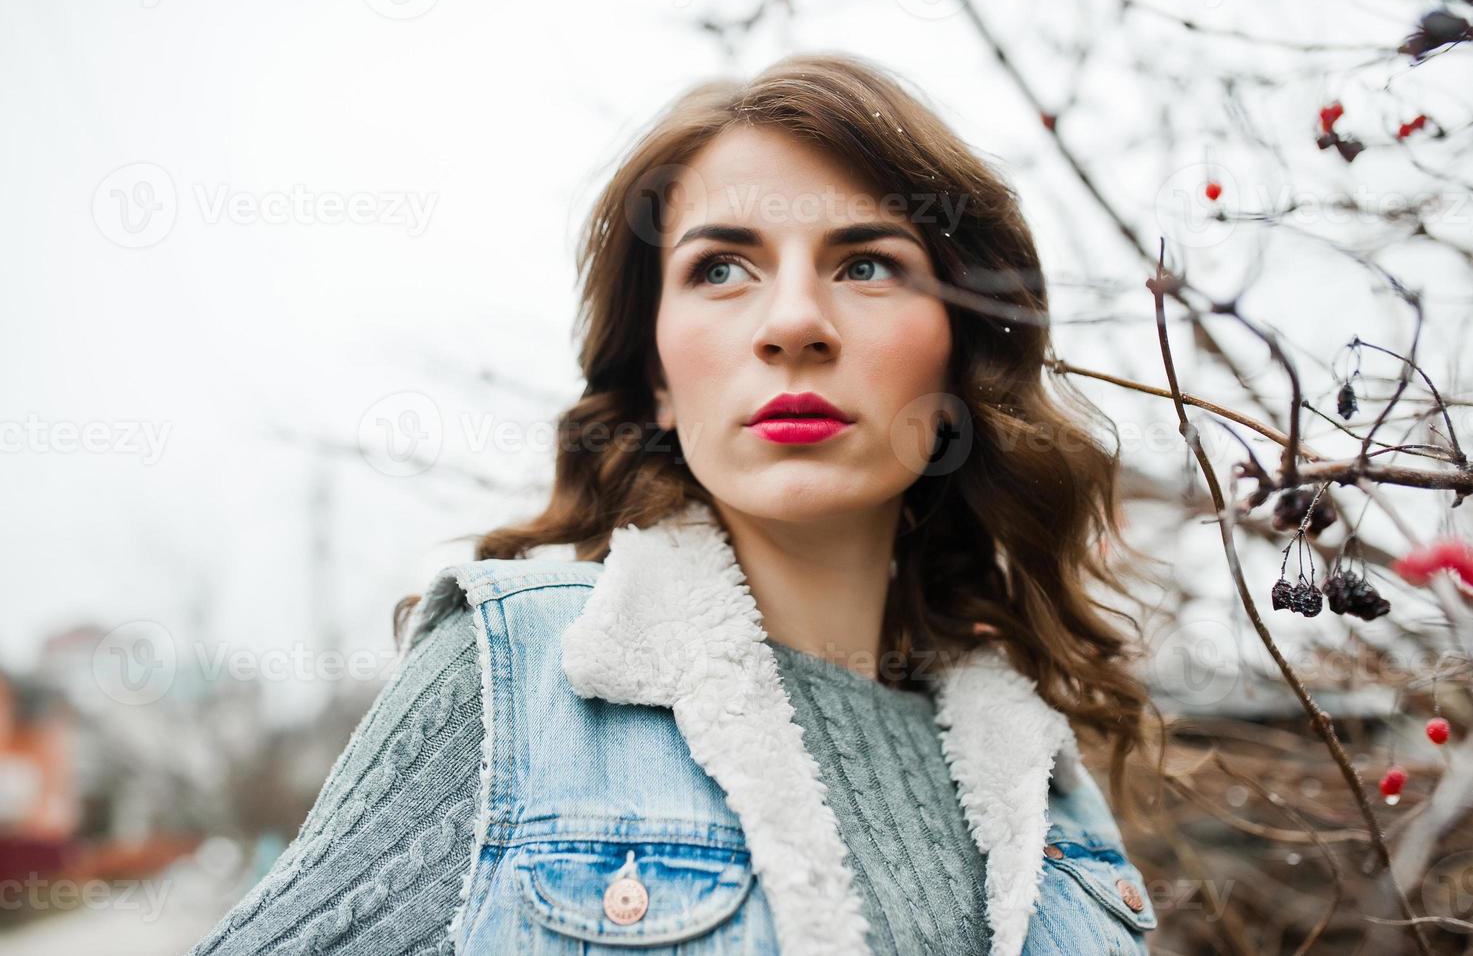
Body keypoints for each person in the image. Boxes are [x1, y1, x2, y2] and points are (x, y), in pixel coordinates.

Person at [189, 51, 1164, 956]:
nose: (792, 323)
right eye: (721, 269)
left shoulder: (1048, 781)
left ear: (957, 353)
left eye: (865, 263)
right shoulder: (515, 682)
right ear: (656, 374)